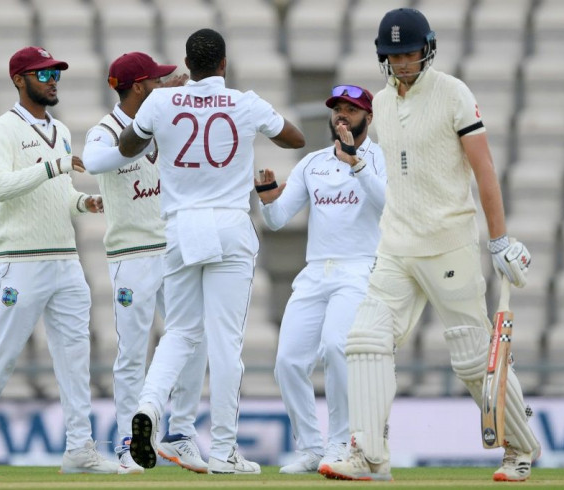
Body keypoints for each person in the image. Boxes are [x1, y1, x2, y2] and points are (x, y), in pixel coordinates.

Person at [319, 8, 540, 483]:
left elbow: (484, 169)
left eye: (410, 53)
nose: (403, 63)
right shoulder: (380, 102)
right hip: (397, 245)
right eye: (394, 55)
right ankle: (370, 457)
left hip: (448, 243)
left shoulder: (454, 93)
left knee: (472, 358)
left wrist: (499, 240)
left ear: (427, 49)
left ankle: (520, 448)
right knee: (365, 340)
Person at [117, 28, 305, 475]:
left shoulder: (162, 102)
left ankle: (147, 409)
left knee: (180, 333)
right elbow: (294, 138)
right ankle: (223, 451)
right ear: (223, 64)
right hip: (229, 224)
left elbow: (127, 145)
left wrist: (161, 105)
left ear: (189, 63)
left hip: (181, 227)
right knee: (225, 344)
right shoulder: (245, 101)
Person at [0, 46, 118, 474]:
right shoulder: (2, 130)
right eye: (43, 73)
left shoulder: (61, 130)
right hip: (21, 260)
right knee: (4, 354)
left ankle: (80, 449)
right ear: (18, 80)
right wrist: (53, 166)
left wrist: (86, 203)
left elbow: (61, 196)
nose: (52, 80)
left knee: (74, 356)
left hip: (66, 260)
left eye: (55, 73)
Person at [82, 51, 209, 474]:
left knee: (193, 339)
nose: (161, 85)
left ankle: (180, 433)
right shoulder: (103, 131)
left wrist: (176, 99)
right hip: (131, 255)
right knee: (133, 353)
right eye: (154, 81)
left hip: (172, 250)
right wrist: (144, 127)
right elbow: (98, 162)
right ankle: (126, 444)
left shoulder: (167, 119)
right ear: (138, 87)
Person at [256, 86, 386, 474]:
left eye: (352, 109)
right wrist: (265, 197)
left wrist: (356, 163)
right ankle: (311, 448)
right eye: (337, 109)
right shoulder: (312, 163)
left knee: (335, 348)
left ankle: (340, 445)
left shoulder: (379, 159)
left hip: (359, 268)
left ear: (369, 117)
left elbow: (389, 207)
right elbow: (277, 220)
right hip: (315, 272)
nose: (342, 115)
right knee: (288, 361)